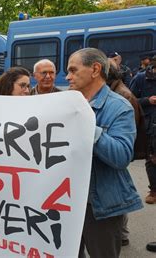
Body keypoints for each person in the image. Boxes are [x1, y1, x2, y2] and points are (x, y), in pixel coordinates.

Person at [65, 48, 143, 258]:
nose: (67, 77)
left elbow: (121, 156)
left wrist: (88, 125)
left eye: (73, 70)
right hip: (66, 202)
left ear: (95, 69)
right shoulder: (66, 103)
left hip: (100, 206)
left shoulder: (119, 107)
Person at [107, 59, 146, 247]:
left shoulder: (123, 97)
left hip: (121, 154)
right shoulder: (117, 92)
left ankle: (121, 234)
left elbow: (130, 133)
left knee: (116, 195)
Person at [130, 54, 156, 204]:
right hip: (150, 124)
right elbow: (130, 100)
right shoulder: (141, 78)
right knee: (151, 158)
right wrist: (148, 101)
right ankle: (153, 191)